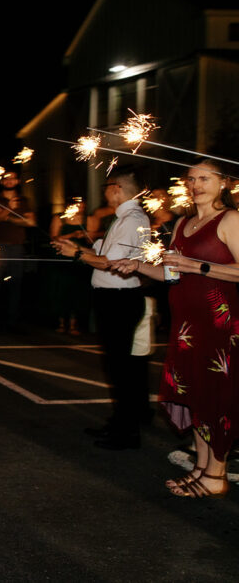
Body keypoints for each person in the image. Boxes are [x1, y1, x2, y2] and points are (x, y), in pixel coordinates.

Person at [108, 160, 239, 497]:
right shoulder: (183, 223)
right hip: (186, 326)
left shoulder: (230, 219)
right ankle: (201, 468)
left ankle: (216, 475)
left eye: (205, 178)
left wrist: (198, 265)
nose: (196, 185)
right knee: (195, 395)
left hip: (218, 324)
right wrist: (138, 265)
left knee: (215, 396)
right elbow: (173, 273)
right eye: (191, 179)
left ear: (224, 183)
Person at [53, 168, 148, 450]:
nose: (104, 192)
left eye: (107, 186)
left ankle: (127, 432)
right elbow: (104, 253)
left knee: (121, 368)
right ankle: (120, 422)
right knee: (116, 366)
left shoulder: (132, 219)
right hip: (114, 298)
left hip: (120, 298)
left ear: (117, 188)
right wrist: (77, 247)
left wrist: (77, 254)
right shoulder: (123, 218)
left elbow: (110, 262)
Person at [0, 170, 36, 331]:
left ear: (17, 181)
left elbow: (31, 223)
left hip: (17, 246)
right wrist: (8, 208)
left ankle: (13, 322)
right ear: (2, 181)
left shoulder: (24, 200)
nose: (9, 181)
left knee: (16, 285)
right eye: (6, 178)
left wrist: (6, 217)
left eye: (13, 178)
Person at [49, 197, 91, 335]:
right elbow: (53, 237)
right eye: (78, 206)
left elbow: (93, 238)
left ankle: (74, 324)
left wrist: (86, 235)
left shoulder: (87, 219)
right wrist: (72, 235)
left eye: (82, 206)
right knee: (62, 289)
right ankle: (61, 322)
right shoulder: (60, 218)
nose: (80, 209)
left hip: (80, 258)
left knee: (77, 290)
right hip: (62, 257)